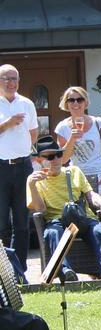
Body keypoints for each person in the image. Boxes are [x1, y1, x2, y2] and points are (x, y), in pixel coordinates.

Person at [26, 136, 101, 279]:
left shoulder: (74, 171)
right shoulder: (34, 181)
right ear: (39, 160)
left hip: (81, 218)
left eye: (58, 155)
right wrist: (32, 186)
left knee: (99, 229)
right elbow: (40, 210)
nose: (55, 160)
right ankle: (64, 272)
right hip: (57, 221)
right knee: (53, 232)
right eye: (49, 157)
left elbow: (91, 195)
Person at [0, 65, 38, 268]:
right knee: (2, 224)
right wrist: (7, 124)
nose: (11, 82)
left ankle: (19, 270)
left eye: (14, 78)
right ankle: (3, 271)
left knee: (22, 223)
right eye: (6, 78)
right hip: (1, 167)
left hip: (23, 166)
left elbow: (33, 133)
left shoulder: (27, 103)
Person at [53, 87, 101, 204]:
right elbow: (63, 160)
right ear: (66, 104)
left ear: (85, 102)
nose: (75, 103)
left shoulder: (98, 123)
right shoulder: (62, 127)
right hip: (76, 179)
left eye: (80, 99)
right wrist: (72, 139)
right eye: (71, 100)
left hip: (100, 177)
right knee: (80, 217)